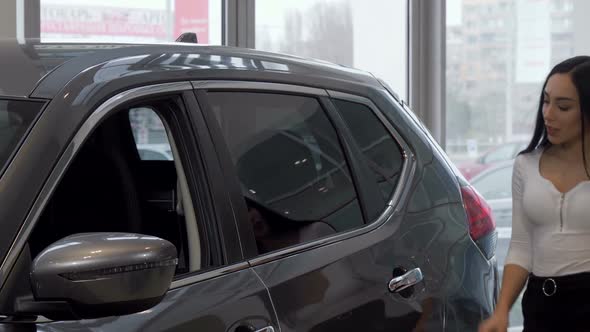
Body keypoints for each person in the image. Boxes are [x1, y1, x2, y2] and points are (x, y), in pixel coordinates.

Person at [479, 55, 590, 332]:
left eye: (563, 106)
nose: (548, 114)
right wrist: (501, 311)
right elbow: (520, 247)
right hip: (542, 302)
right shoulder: (525, 165)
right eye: (546, 101)